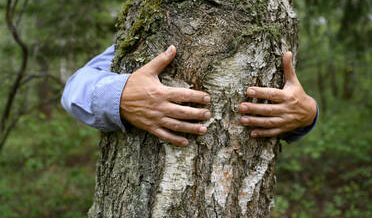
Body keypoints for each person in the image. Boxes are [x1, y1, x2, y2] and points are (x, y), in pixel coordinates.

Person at [61, 45, 318, 147]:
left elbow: (294, 99)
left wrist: (308, 114)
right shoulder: (146, 23)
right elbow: (76, 86)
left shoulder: (273, 20)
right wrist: (120, 96)